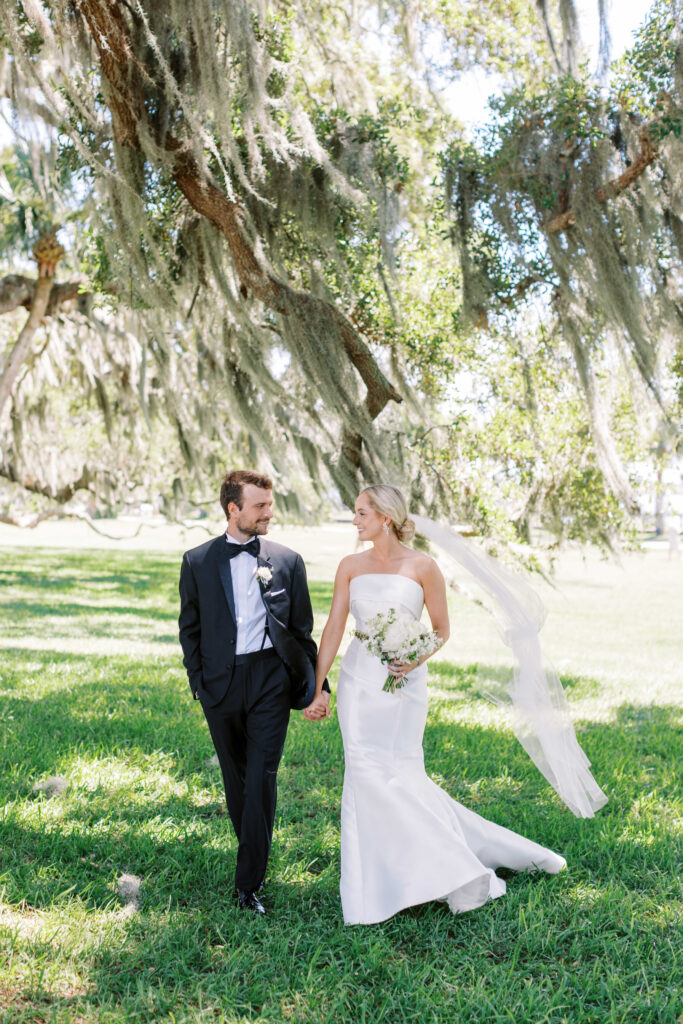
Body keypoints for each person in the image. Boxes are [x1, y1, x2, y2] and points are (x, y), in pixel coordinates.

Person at [304, 484, 567, 925]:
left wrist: (413, 657)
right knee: (365, 772)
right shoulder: (350, 566)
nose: (355, 520)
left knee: (403, 773)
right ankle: (380, 882)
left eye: (361, 512)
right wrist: (317, 688)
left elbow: (442, 629)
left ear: (385, 517)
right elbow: (333, 627)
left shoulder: (424, 566)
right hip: (359, 683)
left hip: (405, 685)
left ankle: (452, 870)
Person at [179, 469, 329, 915]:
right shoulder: (197, 561)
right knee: (236, 779)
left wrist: (318, 687)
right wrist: (199, 685)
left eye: (269, 503)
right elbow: (190, 629)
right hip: (220, 685)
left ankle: (248, 885)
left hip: (270, 680)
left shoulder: (287, 560)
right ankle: (252, 850)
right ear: (233, 508)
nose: (269, 512)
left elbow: (302, 631)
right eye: (260, 505)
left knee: (262, 777)